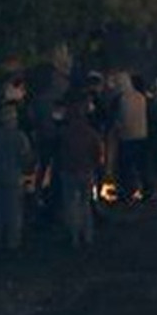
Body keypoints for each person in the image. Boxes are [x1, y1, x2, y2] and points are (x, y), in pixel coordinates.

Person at [58, 95, 102, 247]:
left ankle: (74, 236)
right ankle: (87, 236)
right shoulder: (91, 133)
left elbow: (60, 153)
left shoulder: (64, 133)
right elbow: (98, 152)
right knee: (85, 205)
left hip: (69, 171)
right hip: (86, 170)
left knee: (71, 205)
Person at [0, 105, 31, 251]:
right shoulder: (19, 137)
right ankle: (13, 243)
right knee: (14, 212)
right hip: (14, 177)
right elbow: (25, 158)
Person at [114, 72, 150, 200]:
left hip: (126, 137)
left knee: (126, 166)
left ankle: (127, 190)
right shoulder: (141, 97)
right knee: (142, 165)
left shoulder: (121, 99)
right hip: (142, 135)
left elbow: (115, 118)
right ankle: (146, 188)